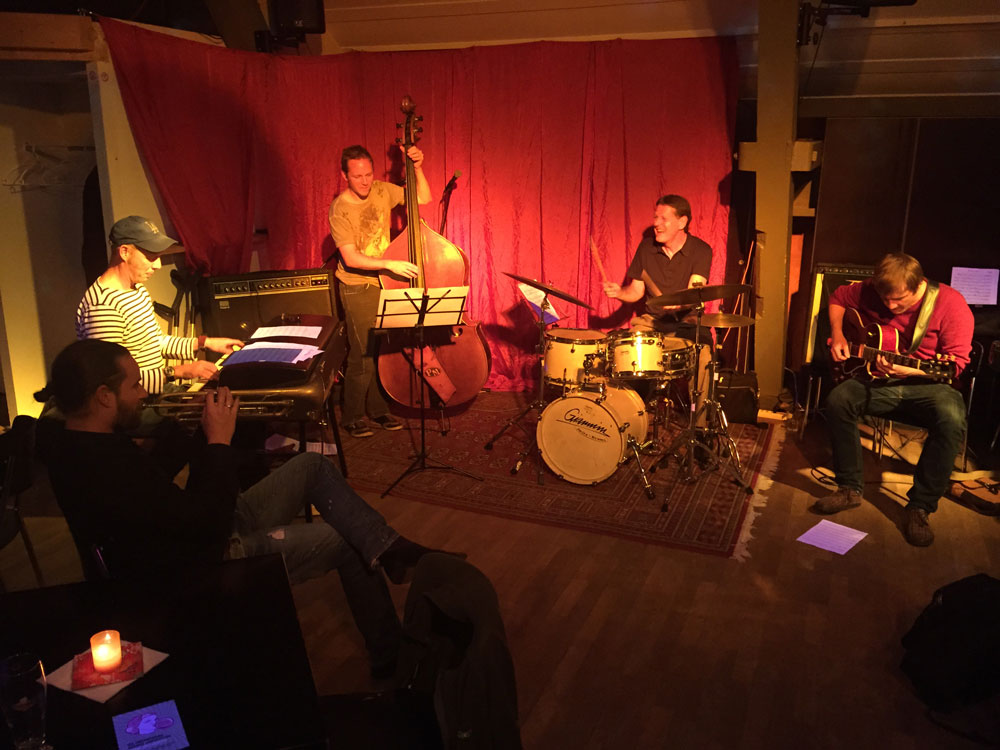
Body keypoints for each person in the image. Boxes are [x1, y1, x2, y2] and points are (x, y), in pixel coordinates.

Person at [35, 339, 456, 678]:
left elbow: (157, 488)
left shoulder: (79, 442)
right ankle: (391, 656)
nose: (143, 394)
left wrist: (190, 430)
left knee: (311, 465)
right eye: (134, 386)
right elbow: (205, 524)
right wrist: (218, 442)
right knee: (343, 539)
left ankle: (388, 549)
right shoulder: (106, 466)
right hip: (201, 557)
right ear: (104, 396)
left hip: (196, 525)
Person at [811, 252, 974, 547]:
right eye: (885, 299)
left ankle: (920, 506)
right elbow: (838, 297)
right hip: (879, 379)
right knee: (839, 400)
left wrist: (910, 369)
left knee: (952, 417)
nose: (890, 306)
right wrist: (838, 334)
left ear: (918, 284)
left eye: (899, 300)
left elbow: (955, 366)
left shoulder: (951, 304)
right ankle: (849, 488)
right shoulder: (871, 290)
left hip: (930, 383)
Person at [76, 215, 243, 396]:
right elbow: (115, 380)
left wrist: (205, 343)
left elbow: (155, 341)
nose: (158, 265)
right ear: (124, 252)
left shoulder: (137, 289)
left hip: (155, 393)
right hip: (137, 404)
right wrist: (178, 371)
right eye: (151, 256)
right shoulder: (103, 306)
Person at [329, 145, 431, 438]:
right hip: (357, 285)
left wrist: (417, 167)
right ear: (344, 176)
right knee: (362, 354)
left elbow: (423, 198)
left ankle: (377, 410)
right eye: (357, 176)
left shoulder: (382, 190)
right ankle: (352, 416)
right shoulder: (339, 208)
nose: (364, 182)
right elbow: (351, 258)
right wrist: (390, 264)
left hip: (386, 282)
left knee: (381, 350)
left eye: (368, 174)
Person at [602, 194, 714, 421]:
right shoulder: (646, 248)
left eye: (663, 218)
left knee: (703, 358)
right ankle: (629, 417)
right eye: (655, 218)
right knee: (628, 348)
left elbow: (694, 291)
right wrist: (619, 292)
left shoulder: (701, 250)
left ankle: (700, 425)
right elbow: (636, 291)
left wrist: (678, 303)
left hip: (687, 323)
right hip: (653, 322)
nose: (656, 224)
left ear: (682, 222)